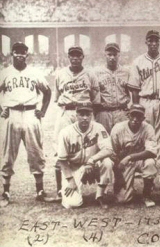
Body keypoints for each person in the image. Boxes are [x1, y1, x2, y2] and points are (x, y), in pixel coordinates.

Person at [0, 42, 52, 207]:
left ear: (27, 55)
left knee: (36, 153)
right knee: (7, 154)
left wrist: (42, 111)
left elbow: (48, 91)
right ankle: (5, 191)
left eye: (23, 52)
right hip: (12, 114)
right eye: (17, 52)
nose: (20, 55)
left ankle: (40, 190)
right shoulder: (5, 73)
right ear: (12, 54)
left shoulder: (35, 72)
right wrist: (1, 109)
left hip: (30, 114)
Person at [51, 46, 100, 201]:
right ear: (68, 57)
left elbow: (96, 98)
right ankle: (60, 189)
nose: (75, 58)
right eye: (72, 56)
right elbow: (57, 97)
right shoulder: (60, 74)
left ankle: (96, 186)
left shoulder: (90, 74)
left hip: (84, 112)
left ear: (82, 57)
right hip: (67, 112)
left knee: (87, 147)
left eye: (78, 56)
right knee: (60, 148)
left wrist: (91, 115)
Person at [129, 30, 160, 191]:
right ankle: (148, 176)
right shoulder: (138, 62)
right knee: (146, 138)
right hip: (145, 101)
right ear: (146, 42)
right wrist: (136, 109)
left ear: (159, 42)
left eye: (156, 40)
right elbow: (134, 89)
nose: (153, 43)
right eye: (150, 40)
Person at [57, 102, 114, 209]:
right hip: (74, 167)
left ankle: (100, 196)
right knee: (72, 204)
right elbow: (62, 160)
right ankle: (67, 189)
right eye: (81, 114)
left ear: (91, 115)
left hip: (93, 164)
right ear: (76, 115)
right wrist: (70, 180)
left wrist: (92, 160)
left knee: (107, 162)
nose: (85, 118)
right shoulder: (66, 132)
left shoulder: (98, 127)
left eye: (88, 114)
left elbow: (108, 149)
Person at [111, 104, 158, 207]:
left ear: (143, 118)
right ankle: (127, 188)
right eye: (133, 115)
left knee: (150, 163)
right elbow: (113, 154)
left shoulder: (148, 128)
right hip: (123, 163)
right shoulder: (118, 129)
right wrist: (118, 177)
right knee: (123, 199)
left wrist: (129, 157)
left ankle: (147, 195)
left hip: (141, 159)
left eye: (139, 116)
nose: (135, 119)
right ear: (128, 115)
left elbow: (152, 152)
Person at [94, 43, 132, 133]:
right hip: (103, 112)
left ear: (119, 55)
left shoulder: (126, 72)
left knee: (122, 140)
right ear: (105, 55)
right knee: (103, 140)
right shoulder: (96, 72)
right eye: (109, 54)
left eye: (115, 55)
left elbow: (131, 92)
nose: (112, 57)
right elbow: (93, 95)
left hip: (121, 112)